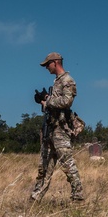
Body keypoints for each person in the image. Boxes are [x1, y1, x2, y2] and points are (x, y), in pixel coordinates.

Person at [30, 52, 85, 202]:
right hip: (50, 128)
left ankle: (78, 197)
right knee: (44, 166)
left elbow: (66, 102)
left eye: (47, 64)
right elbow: (54, 104)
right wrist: (42, 102)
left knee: (67, 164)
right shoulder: (56, 82)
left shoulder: (67, 80)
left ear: (55, 62)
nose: (46, 67)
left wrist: (47, 100)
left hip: (61, 129)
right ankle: (35, 198)